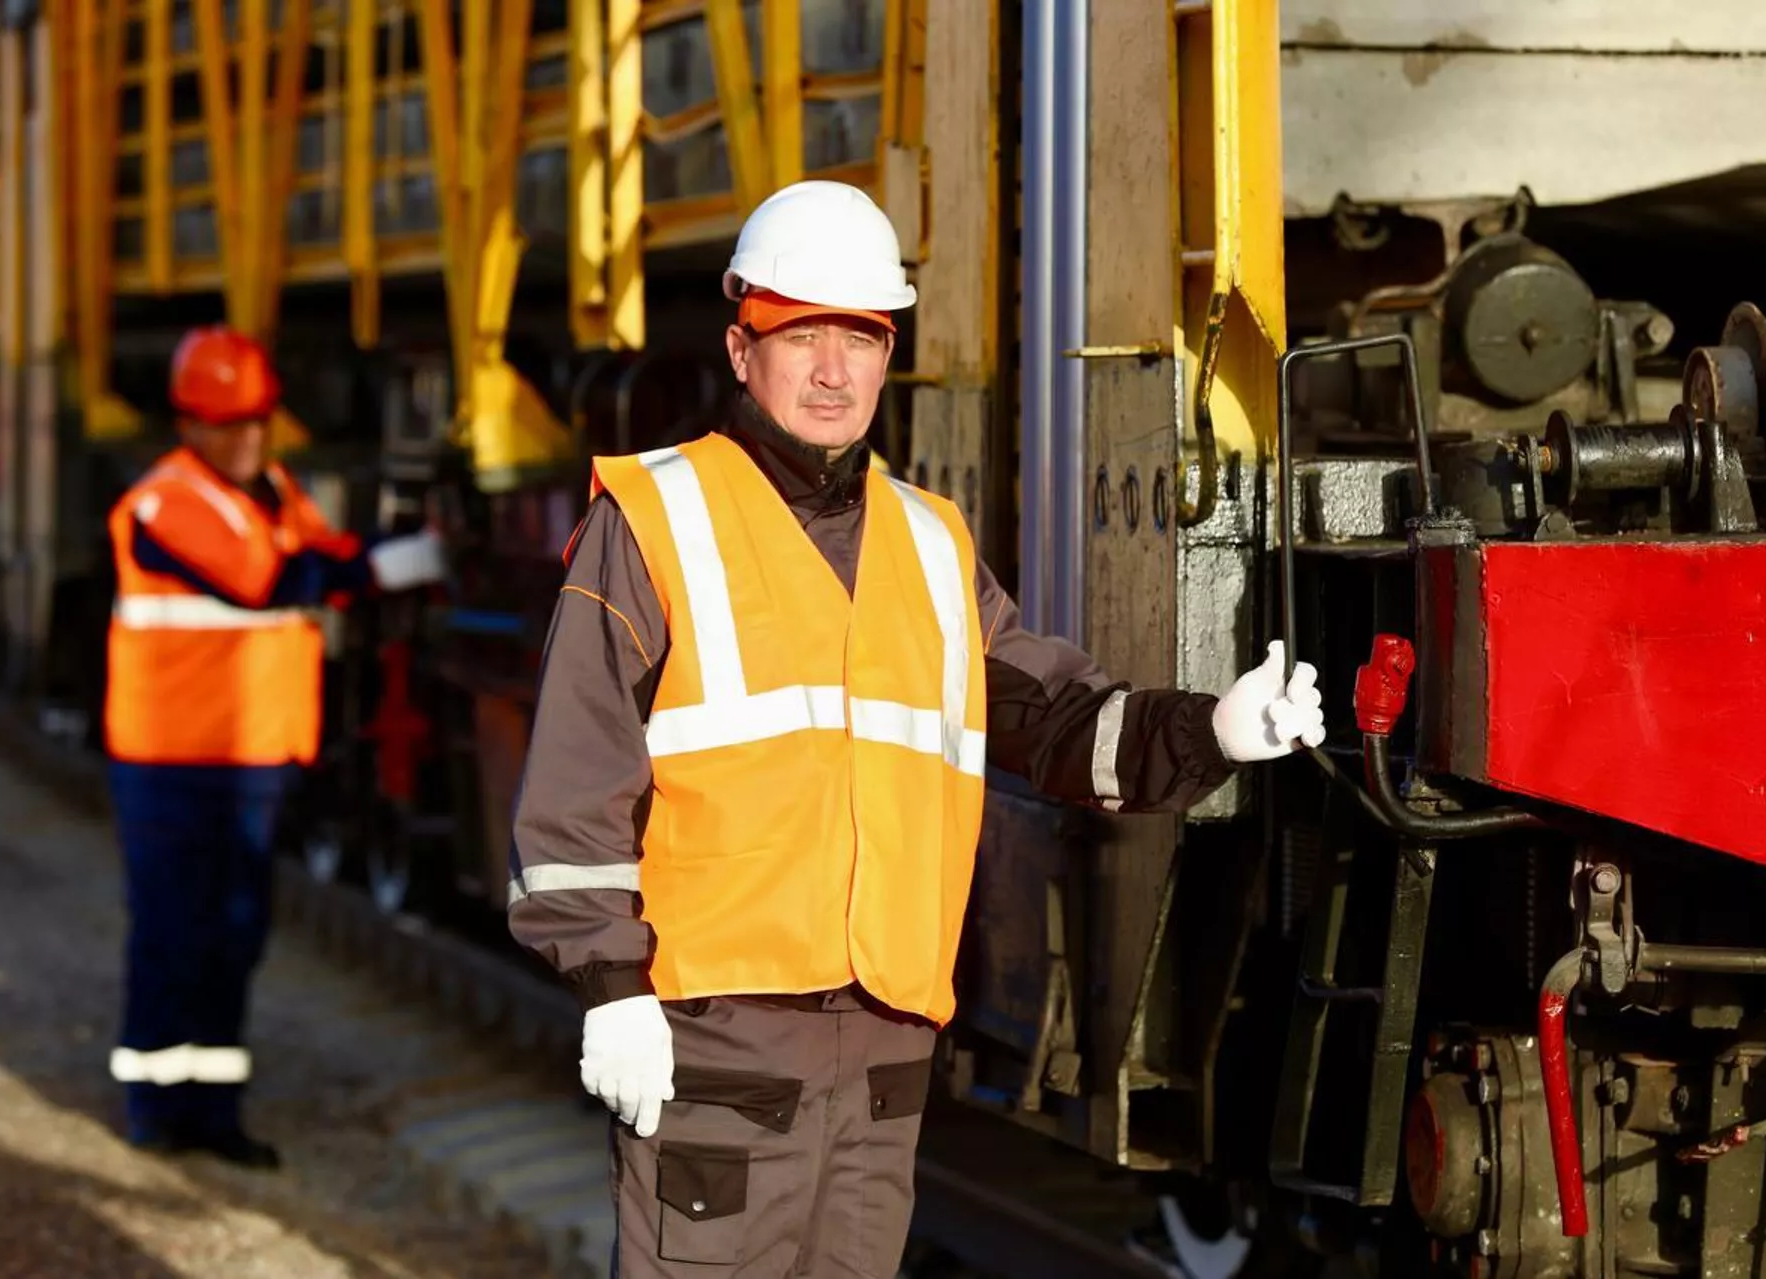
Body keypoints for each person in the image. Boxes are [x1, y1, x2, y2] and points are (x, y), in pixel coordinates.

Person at [506, 181, 1325, 1276]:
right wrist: (610, 992)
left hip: (882, 1050)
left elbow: (1047, 718)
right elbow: (576, 777)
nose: (835, 369)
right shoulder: (655, 519)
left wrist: (1210, 729)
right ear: (742, 346)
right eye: (804, 335)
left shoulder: (929, 541)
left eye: (862, 336)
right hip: (717, 1043)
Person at [103, 325, 446, 1168]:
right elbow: (273, 579)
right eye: (229, 421)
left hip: (248, 757)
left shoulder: (269, 490)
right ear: (189, 423)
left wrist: (393, 548)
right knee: (174, 931)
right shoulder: (166, 504)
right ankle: (154, 1107)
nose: (248, 436)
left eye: (257, 418)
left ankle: (214, 1113)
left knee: (235, 932)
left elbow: (324, 551)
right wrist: (398, 566)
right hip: (173, 763)